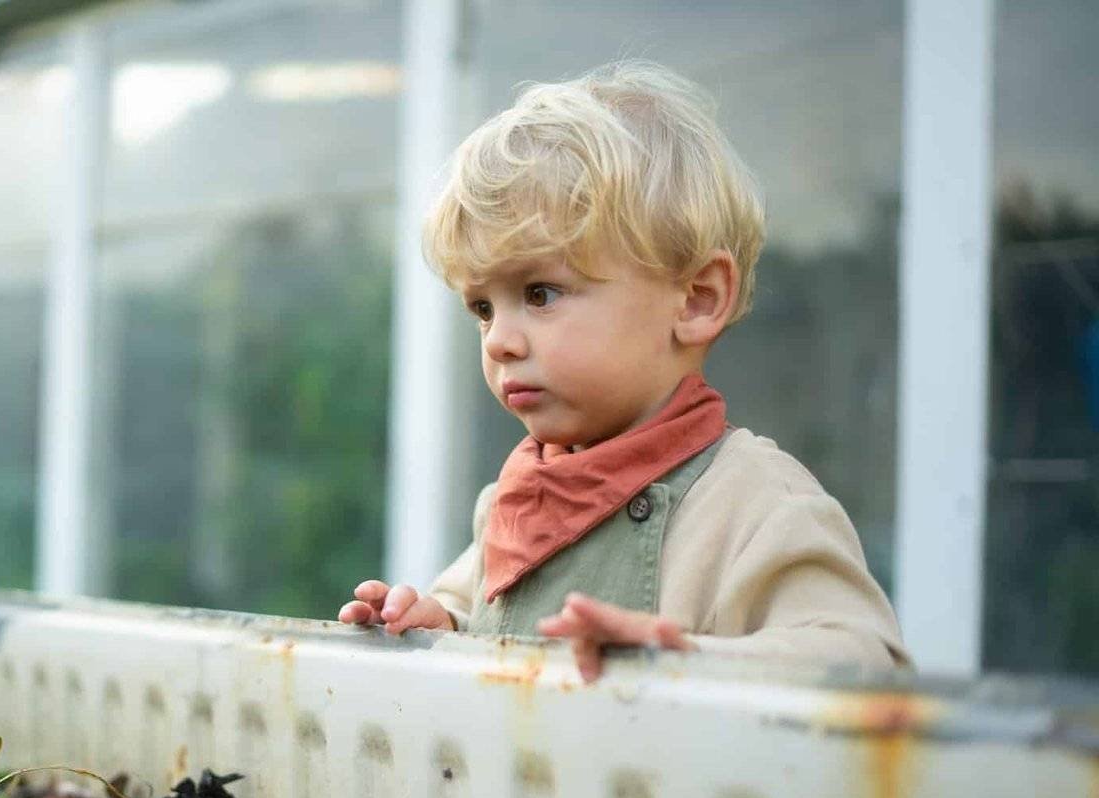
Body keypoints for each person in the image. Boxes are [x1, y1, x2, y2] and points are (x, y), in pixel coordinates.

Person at [337, 61, 908, 681]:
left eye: (540, 294)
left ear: (697, 300)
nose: (499, 339)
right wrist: (436, 625)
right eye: (482, 307)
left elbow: (866, 666)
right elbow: (473, 613)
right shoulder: (514, 500)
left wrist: (680, 664)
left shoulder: (758, 501)